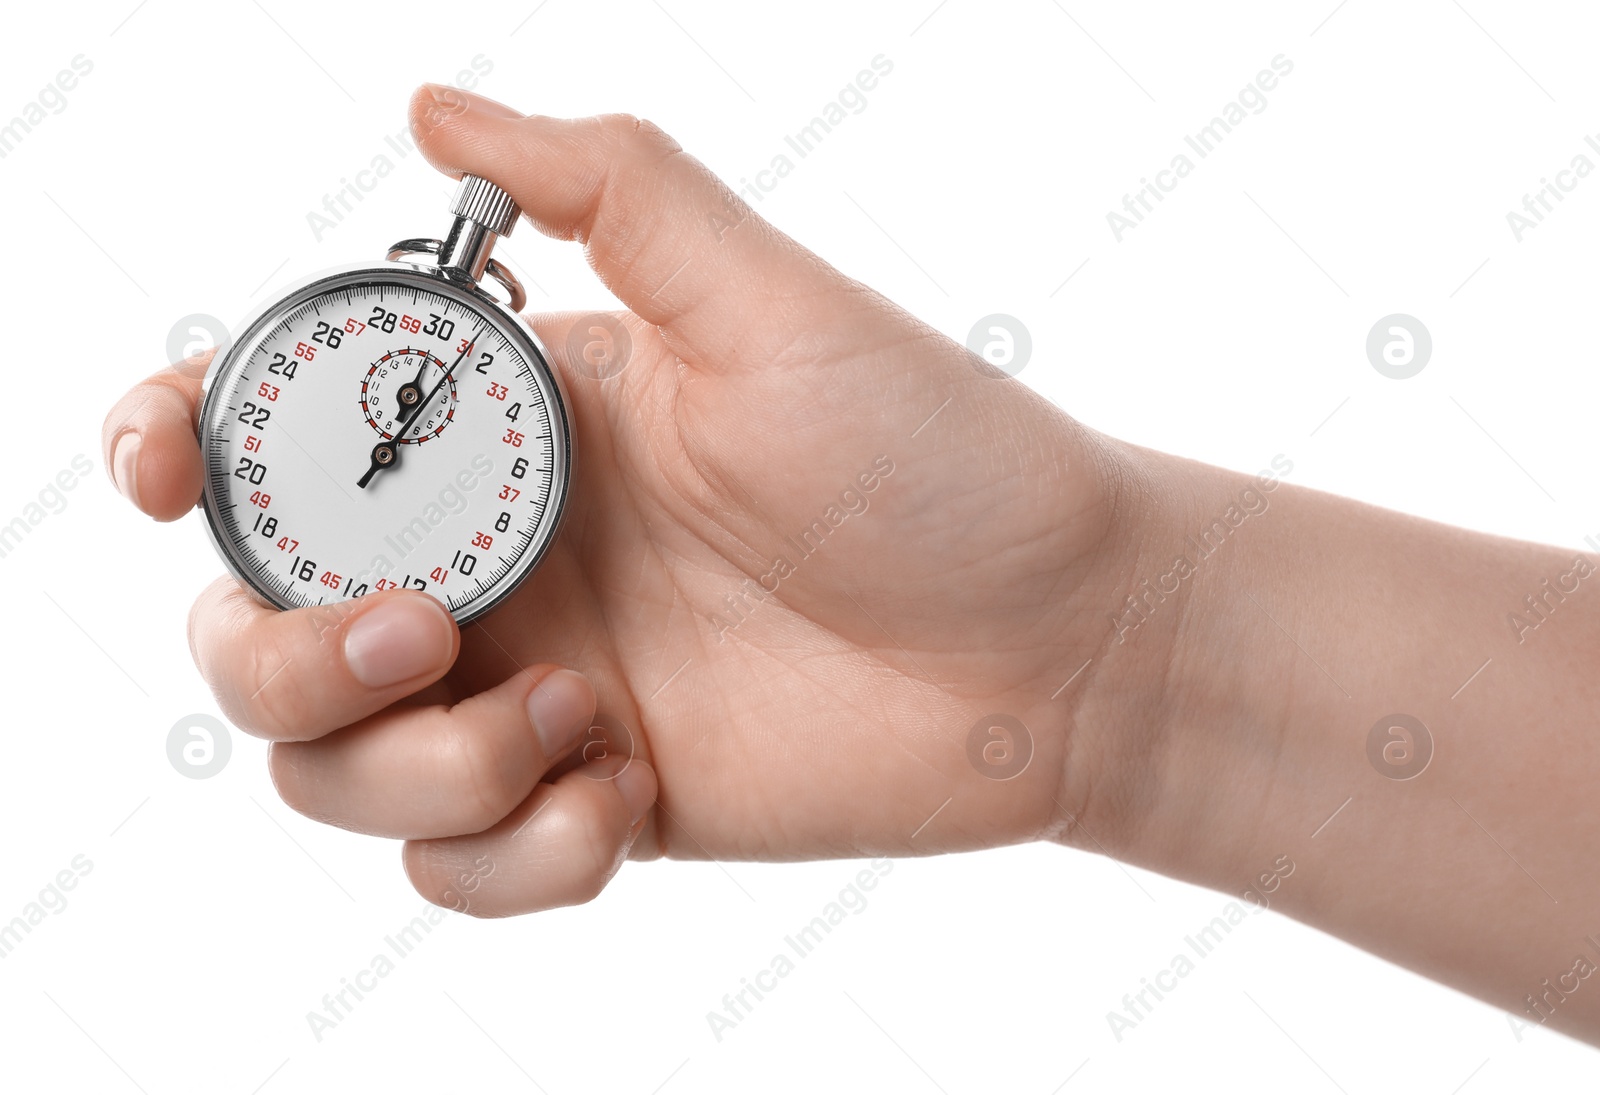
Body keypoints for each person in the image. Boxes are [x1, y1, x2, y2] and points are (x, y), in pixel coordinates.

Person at [101, 85, 1600, 1046]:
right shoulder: (492, 417)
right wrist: (1117, 654)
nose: (395, 450)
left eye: (416, 423)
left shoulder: (457, 385)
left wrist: (1120, 666)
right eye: (397, 429)